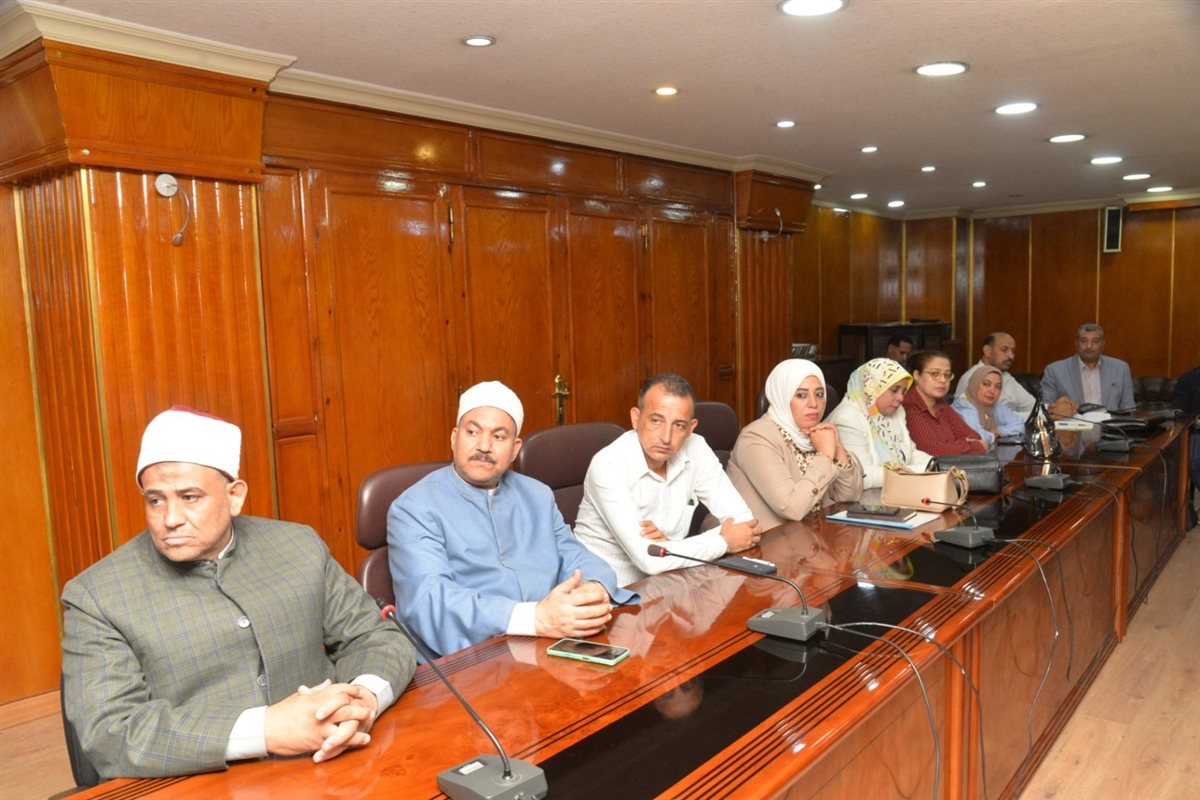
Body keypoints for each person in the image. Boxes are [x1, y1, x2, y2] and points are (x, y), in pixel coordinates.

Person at [61, 407, 415, 781]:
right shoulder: (96, 596)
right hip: (198, 784)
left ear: (234, 496)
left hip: (334, 766)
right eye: (155, 500)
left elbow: (376, 637)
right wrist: (267, 729)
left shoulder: (297, 546)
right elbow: (111, 733)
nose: (170, 519)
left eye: (189, 497)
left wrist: (362, 700)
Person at [387, 381, 636, 659]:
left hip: (546, 647)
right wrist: (535, 618)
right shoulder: (414, 508)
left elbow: (577, 556)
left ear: (515, 448)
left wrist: (592, 588)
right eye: (472, 432)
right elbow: (430, 602)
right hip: (468, 661)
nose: (484, 446)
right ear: (454, 438)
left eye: (499, 436)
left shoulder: (537, 495)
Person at [573, 373, 760, 587]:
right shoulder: (608, 464)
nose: (666, 437)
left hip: (669, 581)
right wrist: (723, 541)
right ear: (636, 418)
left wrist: (672, 548)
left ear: (690, 428)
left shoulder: (696, 447)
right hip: (607, 590)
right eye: (656, 420)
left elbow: (744, 524)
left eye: (679, 425)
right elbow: (649, 559)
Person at [726, 359, 863, 529]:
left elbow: (849, 498)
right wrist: (825, 456)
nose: (814, 404)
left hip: (810, 536)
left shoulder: (815, 433)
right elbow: (792, 509)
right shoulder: (755, 438)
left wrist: (838, 447)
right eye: (801, 395)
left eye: (819, 394)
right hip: (765, 539)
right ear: (782, 397)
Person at [826, 358, 932, 489]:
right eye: (894, 390)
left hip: (895, 490)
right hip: (863, 498)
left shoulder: (897, 412)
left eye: (903, 391)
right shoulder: (847, 419)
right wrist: (920, 471)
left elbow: (910, 453)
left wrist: (936, 465)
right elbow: (863, 476)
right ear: (871, 388)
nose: (901, 398)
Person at [902, 350, 989, 455]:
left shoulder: (941, 404)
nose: (943, 380)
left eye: (947, 375)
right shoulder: (909, 404)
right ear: (916, 375)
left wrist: (949, 446)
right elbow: (932, 449)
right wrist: (975, 446)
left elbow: (974, 436)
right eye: (935, 374)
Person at [1041, 323, 1135, 412]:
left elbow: (1129, 409)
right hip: (1072, 423)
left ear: (1103, 345)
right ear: (1076, 344)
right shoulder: (1054, 371)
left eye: (1095, 341)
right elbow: (1046, 410)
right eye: (1083, 341)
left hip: (1110, 423)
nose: (1089, 346)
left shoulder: (1121, 369)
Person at [954, 331, 1037, 416]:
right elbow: (986, 418)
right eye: (1004, 350)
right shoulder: (971, 378)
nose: (1011, 356)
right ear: (987, 351)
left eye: (1013, 351)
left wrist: (1046, 412)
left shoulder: (1006, 376)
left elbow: (1035, 408)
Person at [952, 365, 1025, 447]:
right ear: (975, 384)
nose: (992, 391)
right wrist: (992, 434)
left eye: (998, 387)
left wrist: (1000, 430)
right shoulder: (963, 406)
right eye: (986, 384)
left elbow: (1020, 424)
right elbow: (977, 436)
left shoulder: (994, 405)